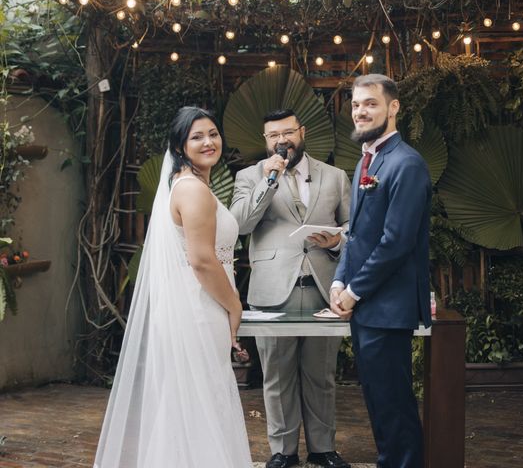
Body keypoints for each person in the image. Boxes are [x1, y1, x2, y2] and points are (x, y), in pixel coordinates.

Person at [94, 107, 252, 468]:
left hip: (194, 306)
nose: (208, 141)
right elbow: (202, 260)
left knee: (188, 402)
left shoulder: (185, 185)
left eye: (213, 133)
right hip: (198, 308)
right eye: (197, 136)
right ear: (180, 146)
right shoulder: (193, 190)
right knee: (200, 402)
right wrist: (234, 305)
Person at [230, 109, 351, 468]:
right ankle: (283, 452)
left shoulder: (335, 176)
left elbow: (353, 230)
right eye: (273, 136)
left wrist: (334, 244)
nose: (282, 141)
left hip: (322, 285)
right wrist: (269, 181)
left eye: (288, 132)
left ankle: (323, 449)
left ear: (302, 132)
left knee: (321, 373)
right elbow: (240, 224)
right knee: (277, 375)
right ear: (265, 141)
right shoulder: (249, 176)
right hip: (272, 288)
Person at [330, 74, 432, 468]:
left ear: (393, 108)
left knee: (394, 408)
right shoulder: (366, 162)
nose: (360, 111)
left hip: (388, 308)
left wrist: (353, 292)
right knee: (380, 404)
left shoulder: (406, 164)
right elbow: (356, 235)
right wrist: (339, 279)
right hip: (368, 307)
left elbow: (395, 242)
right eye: (356, 105)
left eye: (370, 103)